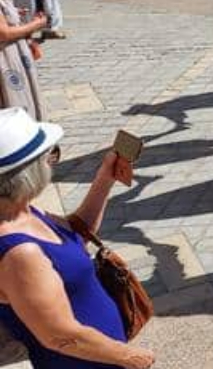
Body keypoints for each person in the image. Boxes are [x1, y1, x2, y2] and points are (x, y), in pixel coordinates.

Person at [0, 110, 156, 369]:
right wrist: (131, 357)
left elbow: (73, 236)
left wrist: (105, 178)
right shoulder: (19, 253)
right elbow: (61, 337)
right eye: (51, 155)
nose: (52, 162)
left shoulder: (21, 210)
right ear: (27, 173)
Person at [0, 0, 46, 119]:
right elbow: (3, 33)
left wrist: (11, 12)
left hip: (13, 56)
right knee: (15, 102)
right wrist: (35, 25)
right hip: (5, 60)